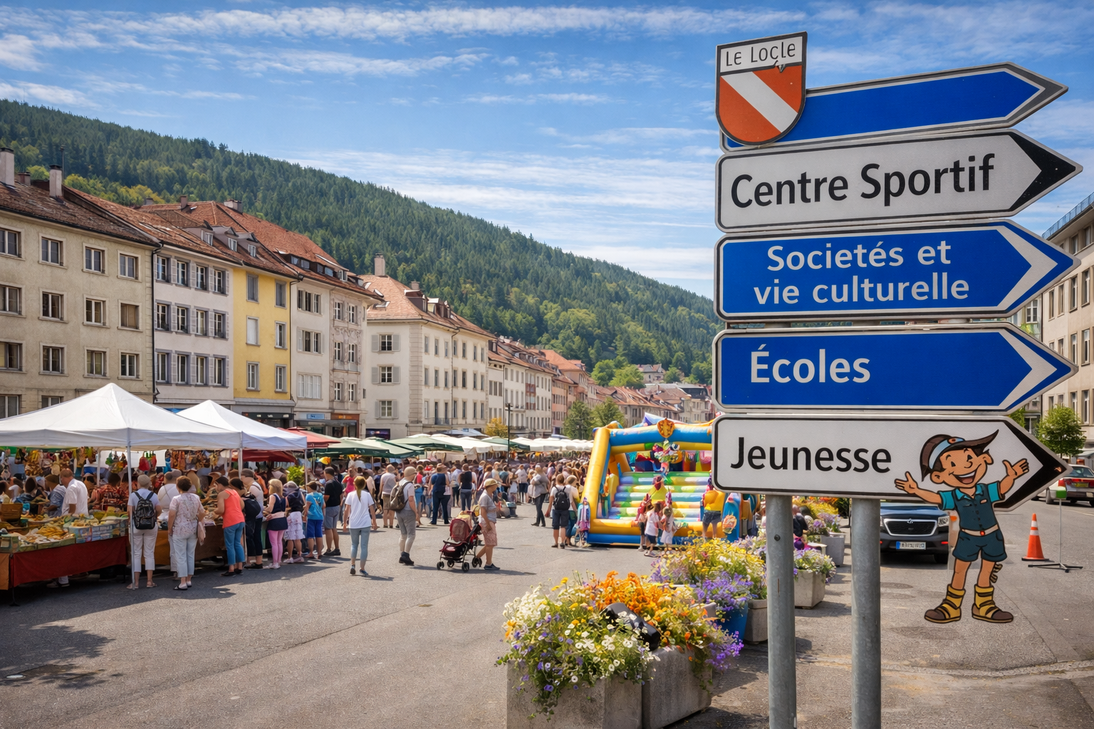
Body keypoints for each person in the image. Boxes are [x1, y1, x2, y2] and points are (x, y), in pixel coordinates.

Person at [167, 476, 204, 591]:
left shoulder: (176, 499)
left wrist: (169, 528)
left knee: (180, 555)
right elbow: (202, 512)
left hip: (179, 529)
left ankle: (182, 581)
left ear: (178, 487)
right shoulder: (196, 497)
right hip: (193, 528)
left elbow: (172, 514)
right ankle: (188, 579)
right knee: (190, 554)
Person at [127, 474, 161, 590]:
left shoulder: (133, 495)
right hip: (151, 526)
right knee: (149, 553)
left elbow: (129, 511)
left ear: (138, 483)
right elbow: (159, 510)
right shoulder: (154, 495)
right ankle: (149, 581)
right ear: (149, 484)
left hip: (136, 526)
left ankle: (135, 582)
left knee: (136, 553)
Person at [344, 476, 376, 576]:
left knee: (354, 545)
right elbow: (372, 509)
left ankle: (352, 564)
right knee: (364, 546)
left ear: (354, 484)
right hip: (365, 523)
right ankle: (362, 568)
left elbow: (346, 510)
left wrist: (345, 523)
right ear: (364, 484)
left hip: (353, 523)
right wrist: (374, 522)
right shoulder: (367, 495)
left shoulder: (350, 495)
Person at [214, 476, 246, 577]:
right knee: (237, 543)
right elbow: (242, 505)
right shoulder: (234, 492)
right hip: (240, 519)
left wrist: (213, 512)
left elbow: (221, 510)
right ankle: (239, 567)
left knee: (230, 545)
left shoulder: (222, 494)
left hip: (230, 521)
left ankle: (231, 568)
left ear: (219, 484)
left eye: (215, 485)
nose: (215, 487)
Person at [394, 466, 418, 566]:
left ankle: (401, 554)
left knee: (403, 534)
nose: (415, 476)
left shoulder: (400, 482)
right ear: (411, 474)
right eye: (414, 474)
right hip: (408, 510)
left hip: (399, 510)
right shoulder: (410, 485)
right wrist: (416, 512)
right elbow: (411, 499)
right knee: (411, 534)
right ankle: (406, 555)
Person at [475, 478, 501, 571]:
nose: (496, 486)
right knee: (490, 543)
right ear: (490, 486)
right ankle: (488, 563)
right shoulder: (485, 496)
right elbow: (483, 511)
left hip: (490, 520)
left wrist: (496, 508)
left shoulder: (490, 495)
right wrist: (487, 523)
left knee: (490, 543)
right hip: (487, 521)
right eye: (494, 485)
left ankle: (477, 557)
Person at [547, 474, 577, 549]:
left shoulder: (554, 489)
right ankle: (562, 542)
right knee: (563, 526)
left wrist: (548, 509)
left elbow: (551, 500)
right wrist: (575, 510)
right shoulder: (567, 489)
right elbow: (571, 500)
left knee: (555, 526)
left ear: (557, 480)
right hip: (565, 509)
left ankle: (556, 542)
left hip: (556, 509)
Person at [264, 480, 288, 569]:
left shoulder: (272, 496)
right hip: (282, 519)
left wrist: (264, 510)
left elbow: (270, 508)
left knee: (274, 543)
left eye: (269, 485)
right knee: (279, 542)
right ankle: (278, 561)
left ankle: (275, 563)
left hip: (274, 521)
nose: (268, 487)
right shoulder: (283, 497)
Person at [240, 479, 264, 569]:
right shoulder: (257, 486)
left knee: (249, 538)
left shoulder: (253, 488)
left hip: (251, 518)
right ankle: (258, 561)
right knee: (256, 538)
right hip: (258, 515)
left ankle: (249, 561)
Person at [322, 469, 342, 556]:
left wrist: (322, 502)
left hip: (329, 506)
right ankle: (337, 548)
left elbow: (326, 496)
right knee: (334, 528)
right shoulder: (338, 482)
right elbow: (341, 495)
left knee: (328, 528)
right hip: (337, 506)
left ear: (326, 473)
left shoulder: (328, 484)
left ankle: (329, 548)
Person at [304, 481, 326, 559]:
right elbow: (323, 505)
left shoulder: (309, 496)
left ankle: (311, 552)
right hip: (320, 517)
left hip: (311, 517)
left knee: (310, 535)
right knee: (319, 535)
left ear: (310, 487)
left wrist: (305, 515)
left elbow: (307, 507)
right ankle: (319, 552)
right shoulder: (320, 495)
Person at [379, 464, 397, 529]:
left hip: (385, 493)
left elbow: (381, 485)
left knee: (385, 509)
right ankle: (391, 524)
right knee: (391, 509)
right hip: (392, 493)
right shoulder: (393, 476)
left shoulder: (383, 476)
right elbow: (396, 485)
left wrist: (380, 493)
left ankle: (385, 524)